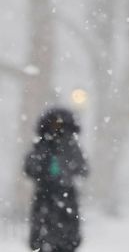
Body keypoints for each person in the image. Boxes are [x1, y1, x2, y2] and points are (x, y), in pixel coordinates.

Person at [24, 107, 89, 252]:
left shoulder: (71, 146)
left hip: (64, 198)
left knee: (65, 240)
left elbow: (83, 168)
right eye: (54, 125)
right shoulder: (42, 146)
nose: (57, 129)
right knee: (45, 238)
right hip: (46, 198)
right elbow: (30, 168)